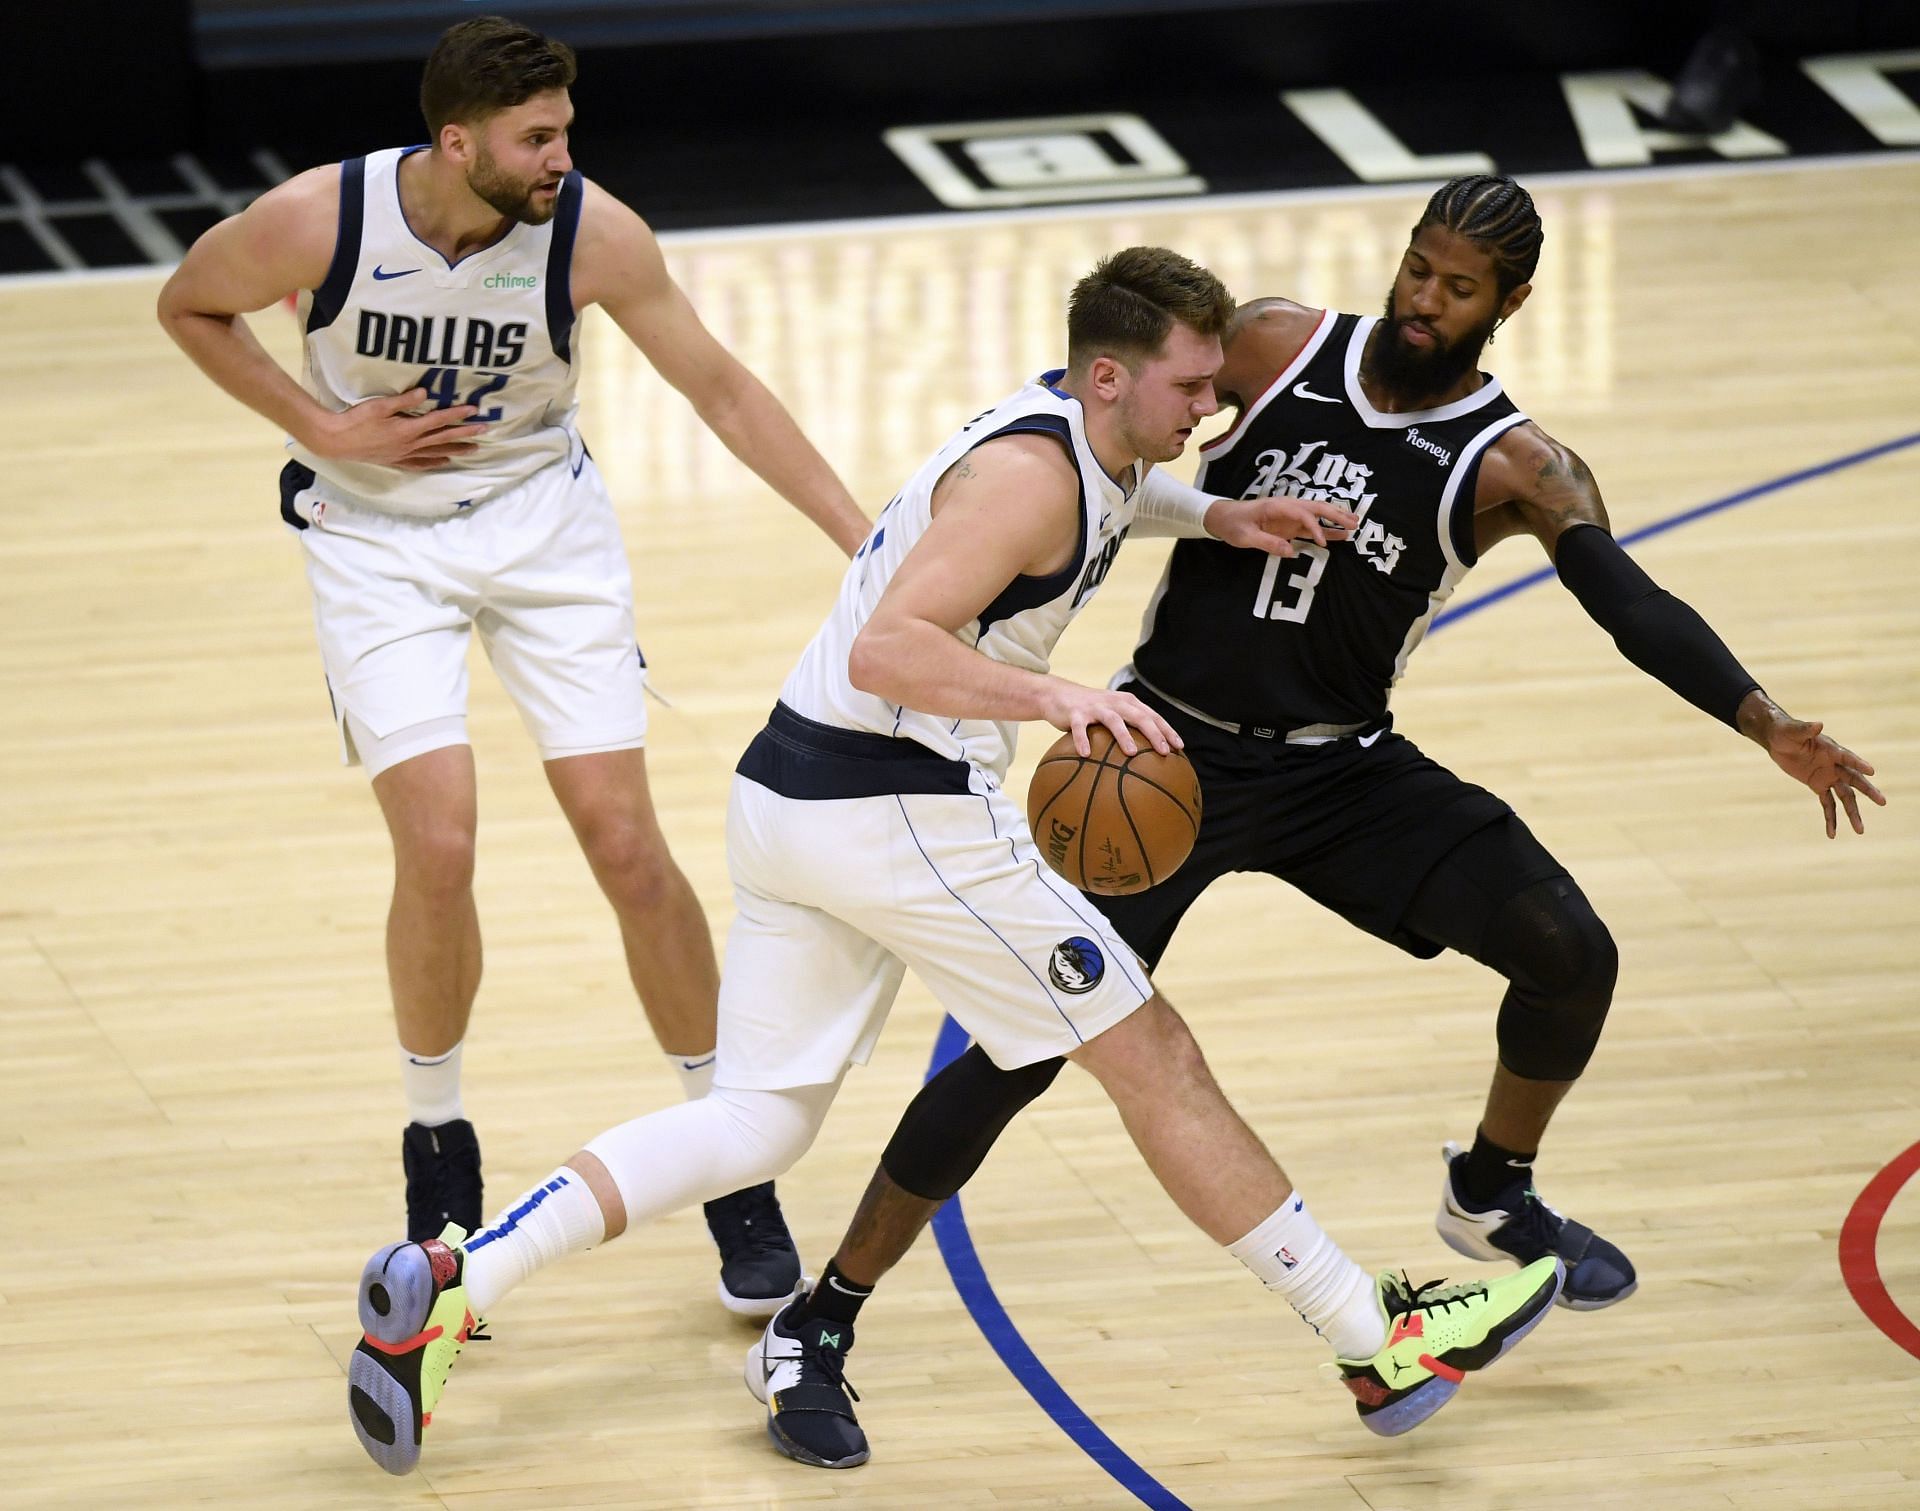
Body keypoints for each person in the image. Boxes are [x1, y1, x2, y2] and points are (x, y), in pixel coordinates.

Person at [340, 245, 1566, 1477]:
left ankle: (454, 1277)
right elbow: (889, 649)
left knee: (756, 1120)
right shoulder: (1027, 482)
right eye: (1192, 385)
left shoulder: (1079, 437)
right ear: (1108, 376)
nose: (1214, 405)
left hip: (788, 796)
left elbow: (1109, 503)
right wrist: (1055, 697)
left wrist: (1221, 514)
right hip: (899, 806)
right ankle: (1373, 1336)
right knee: (1154, 1056)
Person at [747, 174, 1887, 1468]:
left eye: (1457, 288)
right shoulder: (1281, 343)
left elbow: (1627, 603)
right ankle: (824, 1312)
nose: (1423, 300)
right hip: (1160, 759)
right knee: (1022, 1050)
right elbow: (1110, 403)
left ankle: (1492, 1189)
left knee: (1573, 950)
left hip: (1344, 771)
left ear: (1509, 305)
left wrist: (1760, 717)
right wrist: (1187, 507)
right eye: (1417, 268)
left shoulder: (1521, 464)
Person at [156, 15, 873, 1314]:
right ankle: (440, 1146)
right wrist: (322, 421)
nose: (562, 155)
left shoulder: (594, 234)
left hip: (546, 529)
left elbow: (721, 388)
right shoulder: (320, 220)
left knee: (625, 842)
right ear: (455, 141)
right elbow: (188, 303)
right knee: (438, 840)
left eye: (566, 130)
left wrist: (860, 537)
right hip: (373, 538)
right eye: (537, 136)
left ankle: (725, 1150)